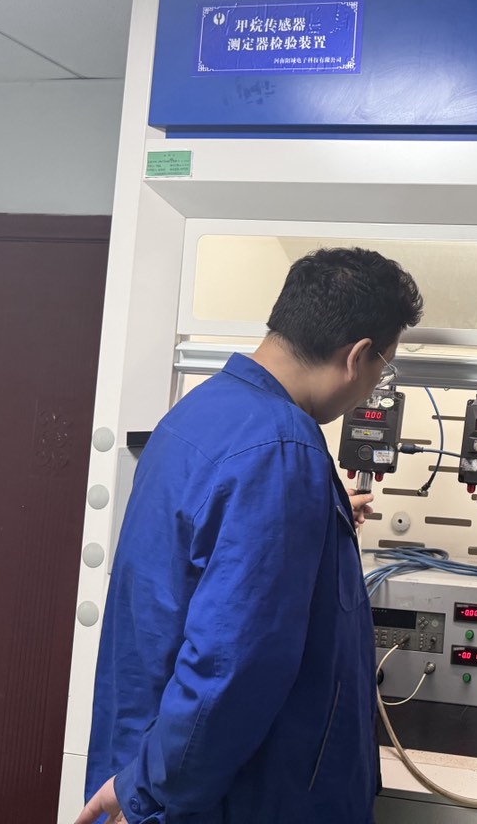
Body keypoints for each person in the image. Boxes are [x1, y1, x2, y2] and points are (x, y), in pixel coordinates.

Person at [78, 247, 423, 824]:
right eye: (381, 370)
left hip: (157, 764)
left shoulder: (200, 412)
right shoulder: (281, 448)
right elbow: (233, 665)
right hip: (240, 797)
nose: (371, 390)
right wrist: (151, 789)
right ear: (357, 356)